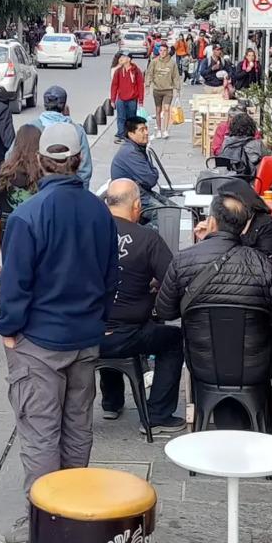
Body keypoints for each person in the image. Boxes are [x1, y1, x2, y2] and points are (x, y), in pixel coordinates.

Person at [0, 122, 119, 543]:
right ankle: (73, 512)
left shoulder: (28, 215)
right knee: (78, 428)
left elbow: (14, 286)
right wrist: (98, 319)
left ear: (41, 161)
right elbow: (110, 277)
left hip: (39, 341)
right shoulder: (99, 211)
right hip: (84, 337)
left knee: (41, 433)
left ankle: (44, 522)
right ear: (78, 160)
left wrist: (8, 330)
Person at [152, 193, 272, 369]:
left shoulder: (182, 260)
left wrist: (203, 244)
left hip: (202, 363)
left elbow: (165, 311)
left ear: (212, 221)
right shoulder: (265, 266)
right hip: (256, 365)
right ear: (244, 226)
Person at [98, 179, 184, 433]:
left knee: (108, 316)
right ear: (137, 205)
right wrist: (155, 288)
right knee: (174, 340)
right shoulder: (147, 238)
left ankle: (111, 402)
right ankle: (157, 414)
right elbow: (173, 279)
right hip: (129, 333)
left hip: (86, 331)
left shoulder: (89, 233)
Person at [0, 124, 44, 279]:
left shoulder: (5, 172)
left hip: (7, 229)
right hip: (34, 229)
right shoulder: (41, 175)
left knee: (10, 272)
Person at [35, 86, 92, 187]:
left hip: (39, 189)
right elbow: (85, 169)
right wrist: (81, 191)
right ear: (64, 105)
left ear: (45, 105)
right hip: (71, 188)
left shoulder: (31, 128)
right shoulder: (77, 130)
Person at [110, 116, 164, 211]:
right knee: (165, 213)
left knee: (172, 207)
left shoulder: (137, 148)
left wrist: (151, 174)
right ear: (131, 134)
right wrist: (152, 173)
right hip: (129, 198)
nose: (146, 133)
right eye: (142, 130)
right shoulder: (130, 152)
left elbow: (151, 175)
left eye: (146, 129)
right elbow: (151, 180)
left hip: (141, 192)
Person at [212, 111, 265, 181]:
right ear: (252, 127)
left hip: (228, 181)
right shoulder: (257, 145)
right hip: (252, 182)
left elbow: (218, 153)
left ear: (232, 127)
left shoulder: (226, 142)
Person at [145, 45, 178, 140]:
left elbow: (175, 76)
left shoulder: (172, 63)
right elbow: (149, 73)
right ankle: (159, 130)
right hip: (157, 89)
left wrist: (177, 89)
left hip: (168, 89)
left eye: (164, 50)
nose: (162, 52)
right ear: (158, 51)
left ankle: (165, 130)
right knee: (158, 110)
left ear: (167, 51)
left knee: (167, 109)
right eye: (161, 50)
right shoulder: (154, 61)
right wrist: (147, 85)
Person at [109, 53, 145, 142]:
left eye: (124, 57)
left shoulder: (136, 71)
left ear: (129, 59)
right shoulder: (118, 71)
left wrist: (141, 100)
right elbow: (114, 85)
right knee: (120, 118)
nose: (121, 59)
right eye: (121, 57)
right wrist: (113, 99)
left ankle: (130, 135)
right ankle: (120, 134)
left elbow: (140, 85)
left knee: (131, 118)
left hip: (132, 99)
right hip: (121, 98)